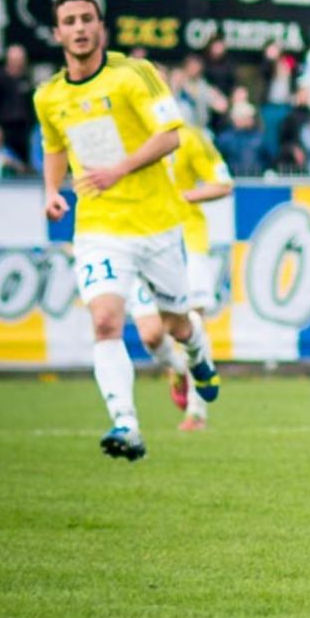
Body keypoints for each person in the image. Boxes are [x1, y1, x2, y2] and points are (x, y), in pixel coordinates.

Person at [33, 0, 222, 460]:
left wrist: (119, 168)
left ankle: (197, 355)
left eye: (86, 19)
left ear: (101, 26)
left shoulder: (133, 75)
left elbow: (170, 136)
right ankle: (126, 424)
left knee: (177, 325)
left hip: (157, 225)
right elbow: (55, 146)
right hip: (99, 228)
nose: (79, 28)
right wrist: (52, 192)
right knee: (105, 321)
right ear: (57, 34)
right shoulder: (49, 95)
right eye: (69, 21)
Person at [127, 125, 233, 431]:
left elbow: (223, 184)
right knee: (153, 333)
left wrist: (181, 196)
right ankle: (177, 369)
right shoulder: (124, 134)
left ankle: (197, 412)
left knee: (194, 321)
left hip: (188, 242)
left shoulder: (189, 137)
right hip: (140, 241)